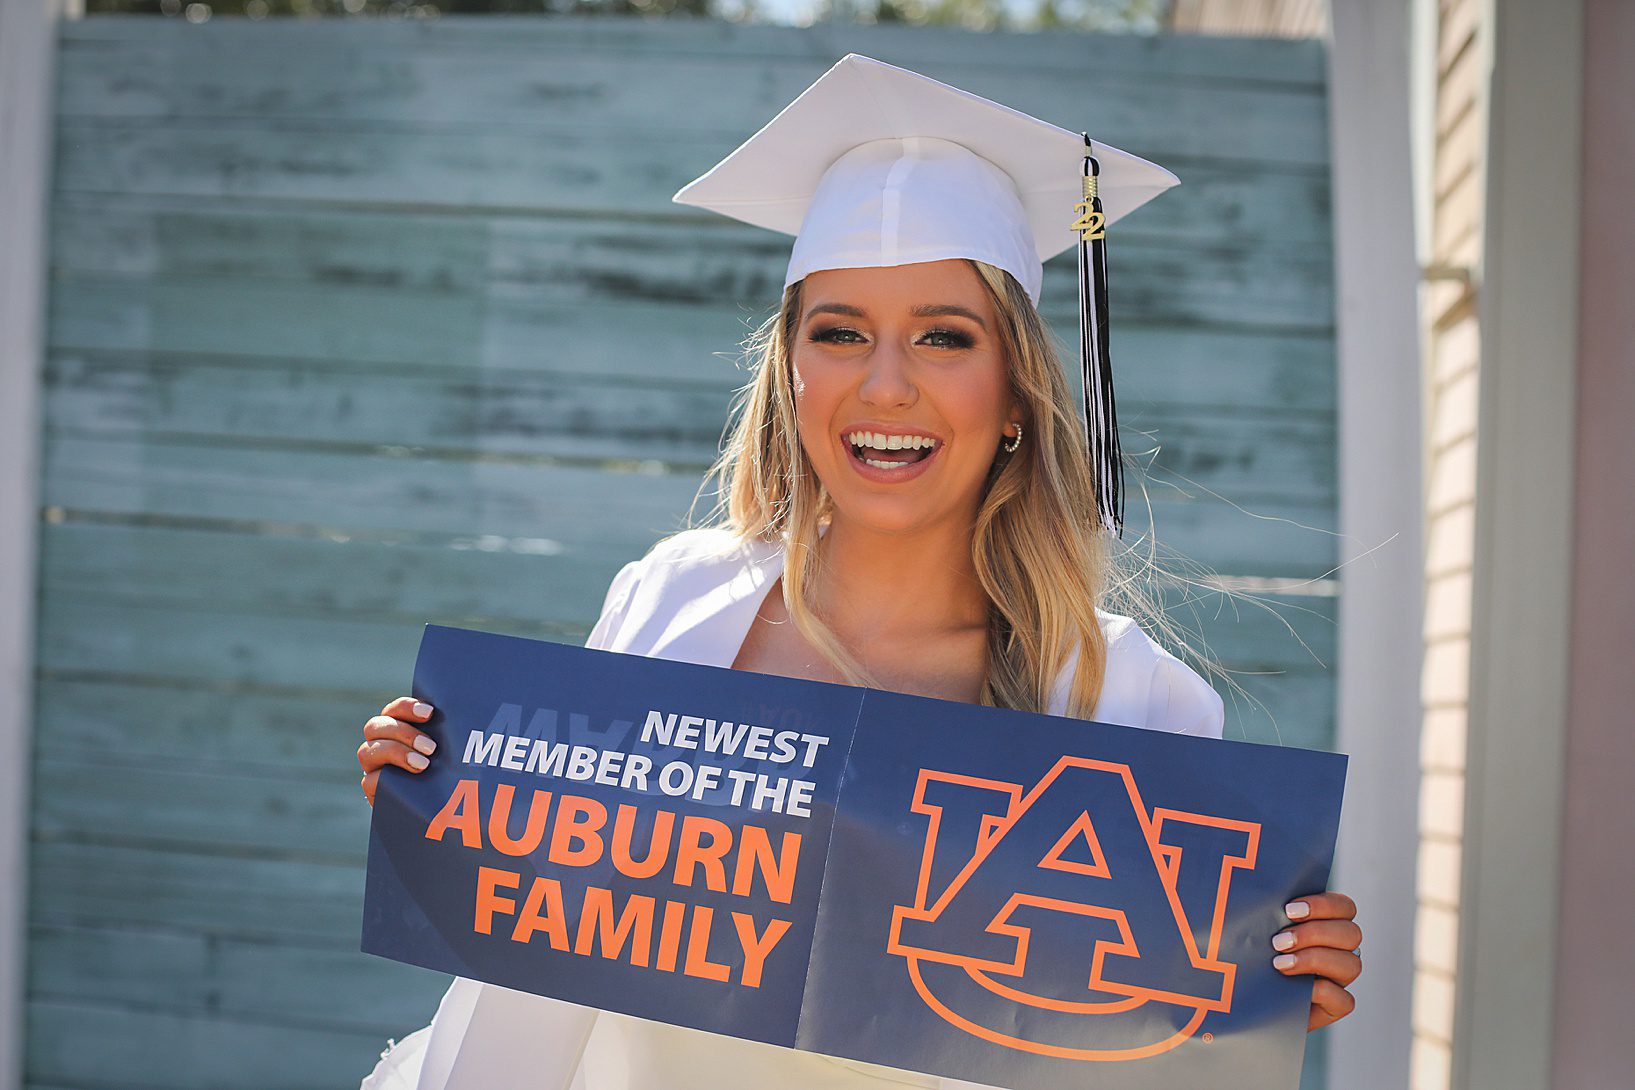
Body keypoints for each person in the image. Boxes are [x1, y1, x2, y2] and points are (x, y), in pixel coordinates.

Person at [354, 54, 1362, 1090]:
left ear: (1016, 392)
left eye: (944, 335)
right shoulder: (672, 599)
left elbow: (1147, 1058)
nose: (886, 385)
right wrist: (453, 801)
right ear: (790, 369)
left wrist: (1263, 983)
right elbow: (535, 949)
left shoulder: (1129, 698)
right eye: (840, 332)